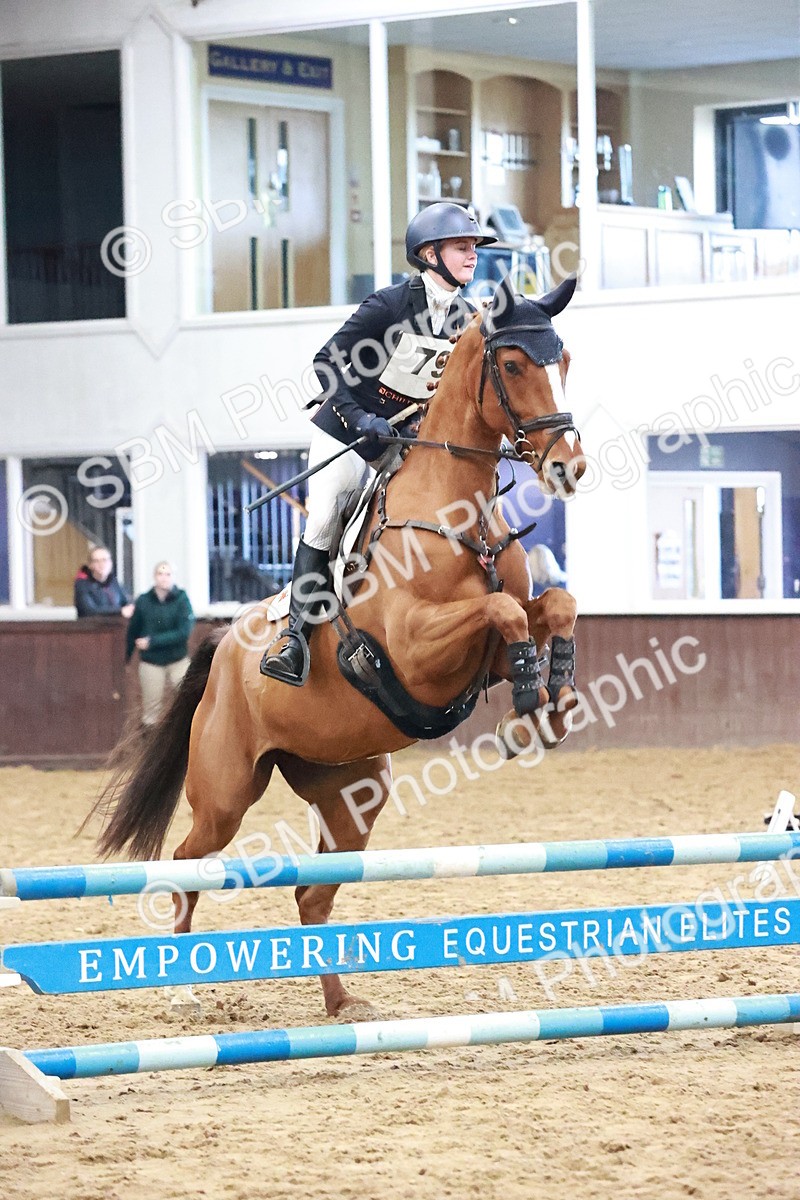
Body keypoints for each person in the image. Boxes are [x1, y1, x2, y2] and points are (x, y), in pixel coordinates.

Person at [261, 202, 496, 687]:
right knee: (326, 517)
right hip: (346, 434)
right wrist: (361, 416)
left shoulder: (469, 319)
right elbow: (326, 361)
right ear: (429, 254)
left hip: (402, 445)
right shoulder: (387, 305)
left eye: (474, 248)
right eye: (462, 247)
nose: (472, 256)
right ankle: (295, 640)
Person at [126, 561, 195, 726]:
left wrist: (153, 641)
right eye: (160, 574)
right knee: (151, 708)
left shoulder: (181, 599)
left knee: (189, 698)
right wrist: (127, 658)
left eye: (168, 574)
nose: (164, 578)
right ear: (154, 577)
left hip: (177, 658)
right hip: (152, 661)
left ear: (173, 577)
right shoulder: (143, 601)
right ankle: (150, 743)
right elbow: (133, 630)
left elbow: (183, 632)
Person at [74, 546, 134, 618]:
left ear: (111, 563)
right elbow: (88, 611)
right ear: (90, 565)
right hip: (93, 627)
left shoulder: (113, 582)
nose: (101, 564)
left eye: (105, 560)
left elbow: (125, 601)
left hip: (117, 626)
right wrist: (120, 611)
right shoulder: (82, 585)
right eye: (96, 561)